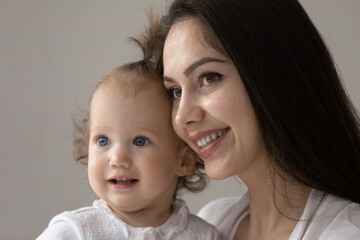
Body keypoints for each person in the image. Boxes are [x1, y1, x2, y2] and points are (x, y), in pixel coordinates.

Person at [149, 0, 360, 239]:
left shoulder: (346, 233)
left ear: (275, 72)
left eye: (208, 78)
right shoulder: (209, 224)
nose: (182, 116)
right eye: (175, 91)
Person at [37, 45, 219, 239]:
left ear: (183, 161)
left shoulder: (204, 235)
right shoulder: (75, 231)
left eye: (139, 141)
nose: (117, 158)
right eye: (103, 140)